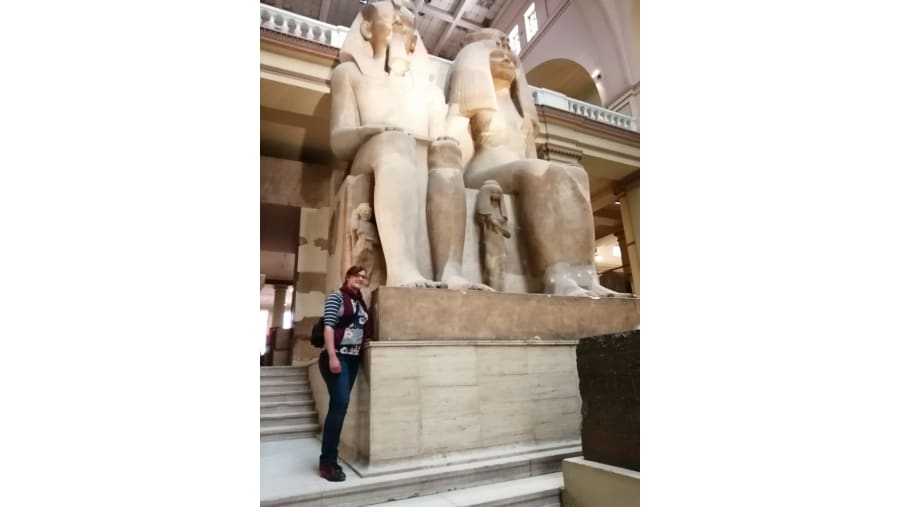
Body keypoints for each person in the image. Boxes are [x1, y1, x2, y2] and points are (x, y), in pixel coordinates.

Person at [444, 28, 628, 297]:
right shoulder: (473, 102)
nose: (507, 59)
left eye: (509, 54)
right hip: (482, 172)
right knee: (535, 171)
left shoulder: (520, 110)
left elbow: (531, 156)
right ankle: (554, 276)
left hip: (520, 169)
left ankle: (586, 275)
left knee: (578, 175)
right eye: (497, 54)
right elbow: (452, 144)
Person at [318, 265, 371, 482]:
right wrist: (332, 356)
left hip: (352, 359)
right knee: (339, 405)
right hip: (337, 356)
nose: (360, 279)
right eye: (357, 275)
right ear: (347, 277)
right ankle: (327, 463)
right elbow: (329, 327)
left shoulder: (360, 302)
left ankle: (330, 458)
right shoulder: (336, 297)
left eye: (364, 277)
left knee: (340, 407)